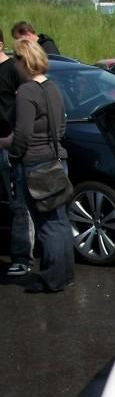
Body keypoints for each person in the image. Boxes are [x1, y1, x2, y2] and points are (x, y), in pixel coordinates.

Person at [8, 39, 74, 293]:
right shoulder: (53, 88)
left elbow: (22, 133)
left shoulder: (26, 92)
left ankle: (51, 278)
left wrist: (14, 155)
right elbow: (61, 126)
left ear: (23, 61)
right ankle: (64, 275)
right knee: (60, 222)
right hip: (57, 161)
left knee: (47, 226)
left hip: (35, 164)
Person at [0, 26, 35, 278]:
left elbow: (27, 106)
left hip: (8, 145)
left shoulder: (13, 69)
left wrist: (12, 138)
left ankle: (22, 258)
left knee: (19, 205)